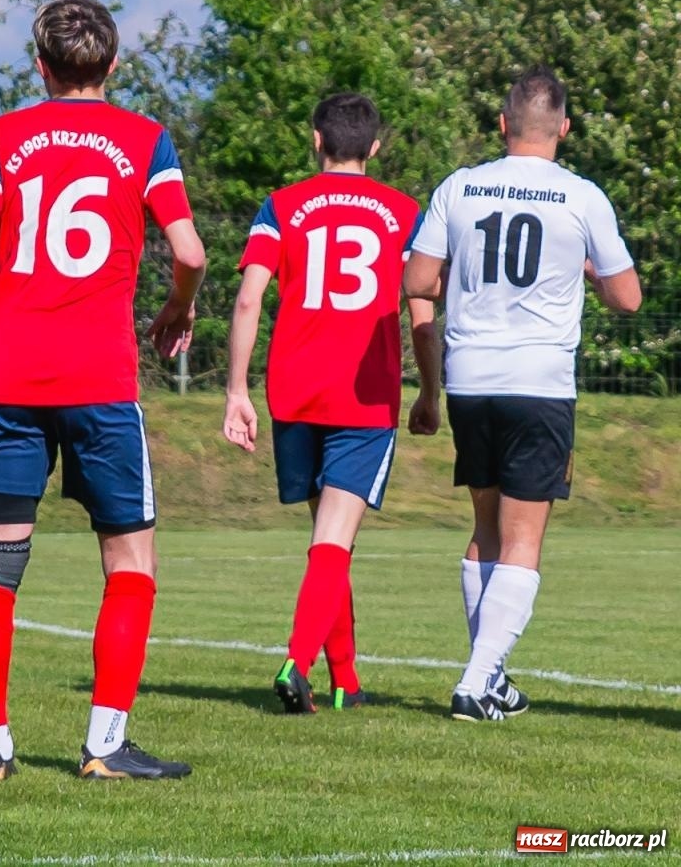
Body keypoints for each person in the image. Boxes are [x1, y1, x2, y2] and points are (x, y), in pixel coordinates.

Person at [0, 0, 206, 781]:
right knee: (130, 560)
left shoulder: (3, 137)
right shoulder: (145, 138)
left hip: (10, 378)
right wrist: (176, 309)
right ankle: (105, 745)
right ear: (113, 65)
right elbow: (190, 250)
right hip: (101, 381)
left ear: (38, 66)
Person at [404, 66, 641, 721]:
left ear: (503, 124)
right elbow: (628, 298)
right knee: (524, 538)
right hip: (538, 383)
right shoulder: (582, 196)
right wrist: (590, 269)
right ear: (563, 128)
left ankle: (494, 677)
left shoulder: (460, 186)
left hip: (471, 380)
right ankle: (476, 683)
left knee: (484, 528)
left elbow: (420, 281)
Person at [221, 93, 442, 713]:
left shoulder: (282, 206)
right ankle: (298, 659)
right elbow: (421, 314)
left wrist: (237, 390)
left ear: (315, 140)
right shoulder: (403, 213)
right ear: (375, 147)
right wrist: (429, 391)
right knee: (334, 541)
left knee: (328, 538)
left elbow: (247, 301)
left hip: (294, 389)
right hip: (363, 397)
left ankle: (345, 680)